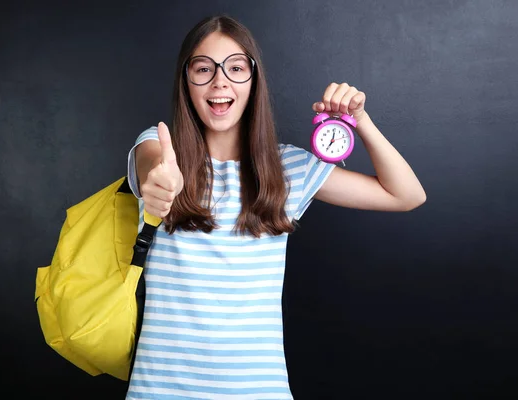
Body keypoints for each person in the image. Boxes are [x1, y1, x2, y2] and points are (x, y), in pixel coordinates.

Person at [124, 14, 426, 399]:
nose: (220, 81)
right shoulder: (158, 147)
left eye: (235, 68)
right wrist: (159, 185)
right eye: (203, 69)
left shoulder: (288, 169)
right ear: (186, 82)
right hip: (161, 391)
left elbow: (406, 195)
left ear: (254, 81)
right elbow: (152, 169)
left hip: (259, 390)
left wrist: (359, 120)